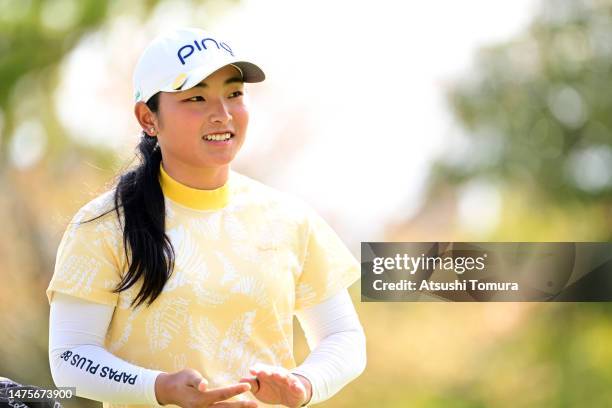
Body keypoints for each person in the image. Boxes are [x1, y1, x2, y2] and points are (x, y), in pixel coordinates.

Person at [46, 27, 366, 408]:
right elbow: (70, 355)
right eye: (197, 97)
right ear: (148, 118)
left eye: (234, 94)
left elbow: (343, 335)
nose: (223, 114)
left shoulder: (289, 219)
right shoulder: (103, 226)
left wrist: (305, 384)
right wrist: (158, 387)